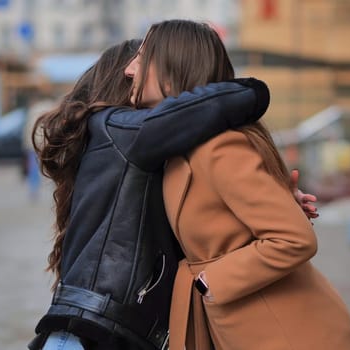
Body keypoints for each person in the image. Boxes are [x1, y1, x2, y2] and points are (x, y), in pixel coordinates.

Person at [30, 21, 316, 350]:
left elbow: (195, 230)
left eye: (142, 59)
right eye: (130, 61)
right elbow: (203, 110)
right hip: (93, 332)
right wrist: (254, 91)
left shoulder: (152, 157)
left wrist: (263, 199)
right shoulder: (119, 131)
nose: (131, 70)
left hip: (112, 331)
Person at [153, 33, 350, 350]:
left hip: (280, 329)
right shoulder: (179, 148)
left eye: (143, 59)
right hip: (242, 323)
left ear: (171, 74)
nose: (131, 70)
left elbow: (293, 238)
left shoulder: (218, 147)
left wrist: (210, 283)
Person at [23, 90, 54, 201]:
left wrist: (26, 144)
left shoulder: (32, 111)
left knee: (34, 168)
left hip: (33, 144)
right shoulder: (51, 107)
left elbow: (27, 129)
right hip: (47, 142)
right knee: (51, 166)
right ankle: (54, 187)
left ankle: (34, 190)